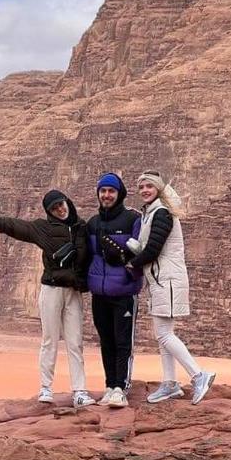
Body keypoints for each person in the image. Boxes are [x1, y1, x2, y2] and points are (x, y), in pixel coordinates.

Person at [0, 191, 95, 407]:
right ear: (49, 211)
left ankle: (80, 391)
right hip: (52, 289)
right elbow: (11, 226)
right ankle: (46, 388)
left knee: (75, 343)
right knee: (50, 340)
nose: (60, 209)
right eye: (54, 208)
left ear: (67, 202)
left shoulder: (82, 227)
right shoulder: (42, 228)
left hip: (73, 292)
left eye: (61, 204)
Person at [125, 171, 216, 405]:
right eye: (141, 186)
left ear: (159, 189)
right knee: (164, 334)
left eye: (149, 186)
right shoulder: (152, 212)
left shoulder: (162, 213)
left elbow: (153, 249)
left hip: (167, 280)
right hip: (160, 279)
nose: (145, 190)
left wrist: (132, 262)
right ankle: (169, 384)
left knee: (164, 334)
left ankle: (198, 375)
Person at [86, 173, 142, 408]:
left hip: (124, 292)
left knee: (122, 342)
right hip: (99, 293)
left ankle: (121, 387)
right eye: (103, 191)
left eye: (111, 191)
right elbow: (87, 254)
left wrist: (129, 269)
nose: (106, 195)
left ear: (119, 194)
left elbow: (142, 251)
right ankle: (110, 385)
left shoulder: (132, 219)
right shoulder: (93, 223)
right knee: (106, 340)